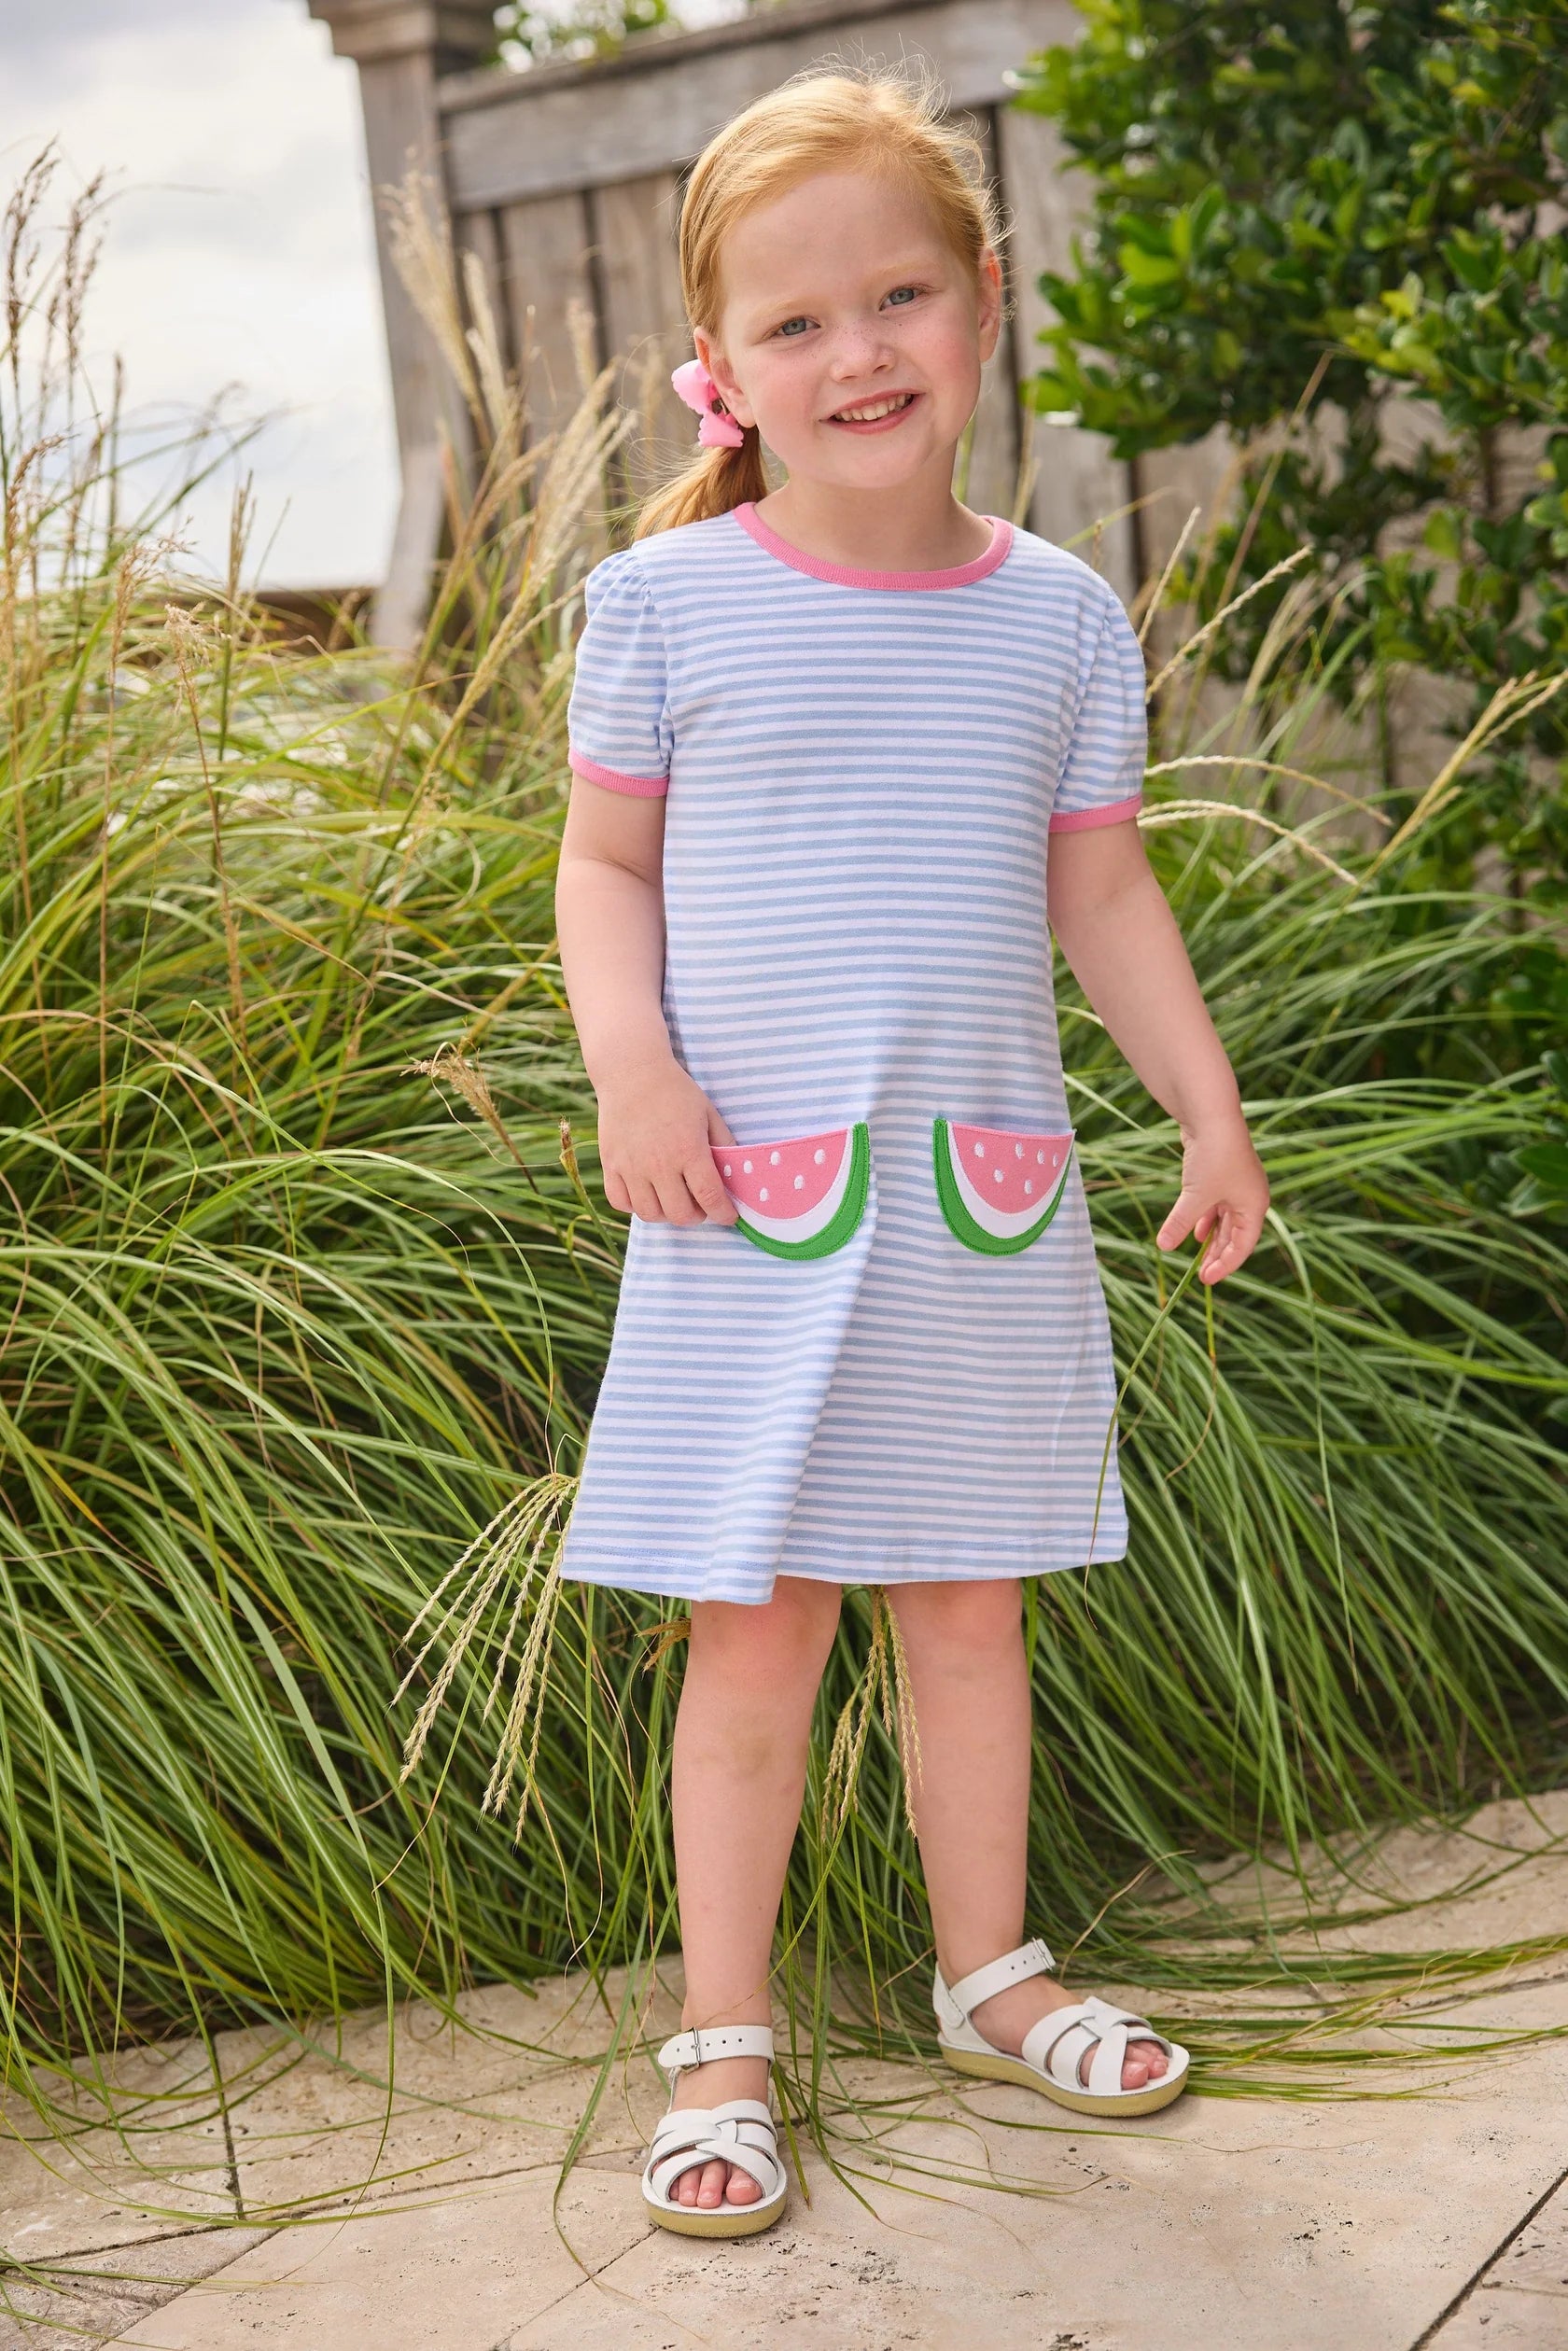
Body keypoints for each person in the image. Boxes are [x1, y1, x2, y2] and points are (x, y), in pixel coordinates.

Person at [553, 65, 1269, 2241]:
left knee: (971, 1613)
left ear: (985, 301)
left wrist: (1207, 1107)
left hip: (978, 1211)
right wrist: (633, 1071)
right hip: (744, 1207)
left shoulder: (1058, 615)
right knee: (756, 1633)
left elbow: (1102, 889)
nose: (856, 352)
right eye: (796, 322)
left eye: (899, 297)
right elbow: (604, 869)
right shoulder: (663, 606)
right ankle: (725, 2040)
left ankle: (992, 1976)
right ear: (723, 363)